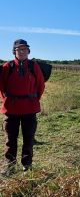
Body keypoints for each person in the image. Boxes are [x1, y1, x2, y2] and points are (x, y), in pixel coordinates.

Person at [0, 39, 45, 176]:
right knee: (10, 140)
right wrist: (7, 101)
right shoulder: (8, 67)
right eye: (20, 49)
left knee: (29, 139)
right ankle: (10, 166)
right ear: (14, 51)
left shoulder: (33, 66)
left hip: (29, 109)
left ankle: (27, 165)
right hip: (11, 110)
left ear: (28, 51)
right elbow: (1, 87)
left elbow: (41, 85)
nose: (22, 51)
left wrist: (33, 100)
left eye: (25, 49)